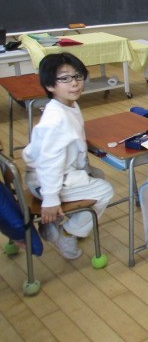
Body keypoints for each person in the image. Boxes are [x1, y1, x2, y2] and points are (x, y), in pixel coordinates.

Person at [23, 53, 114, 260]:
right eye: (64, 78)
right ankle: (66, 234)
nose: (74, 83)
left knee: (97, 175)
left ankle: (53, 224)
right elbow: (49, 163)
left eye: (78, 76)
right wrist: (50, 199)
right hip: (45, 180)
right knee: (105, 190)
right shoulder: (56, 120)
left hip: (53, 174)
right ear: (50, 85)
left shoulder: (67, 104)